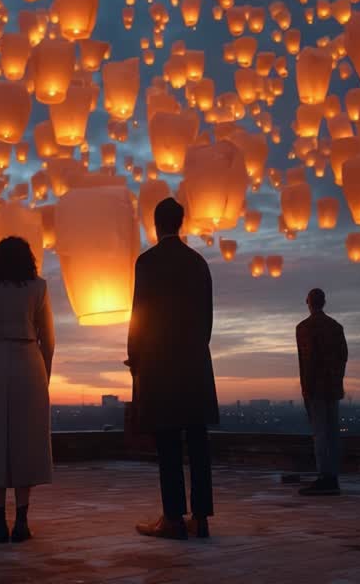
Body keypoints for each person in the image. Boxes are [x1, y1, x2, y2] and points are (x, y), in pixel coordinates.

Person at [127, 198, 218, 540]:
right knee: (198, 443)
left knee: (168, 443)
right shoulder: (198, 263)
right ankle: (202, 518)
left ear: (156, 224)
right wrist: (196, 349)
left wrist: (135, 357)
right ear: (180, 224)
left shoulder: (147, 262)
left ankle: (174, 518)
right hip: (194, 363)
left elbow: (140, 314)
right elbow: (207, 318)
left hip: (161, 364)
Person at [0, 236, 56, 544]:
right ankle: (21, 520)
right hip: (29, 362)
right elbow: (48, 337)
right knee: (26, 441)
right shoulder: (39, 288)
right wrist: (43, 372)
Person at [296, 288, 348, 496]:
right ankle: (331, 475)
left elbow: (307, 360)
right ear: (324, 302)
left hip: (315, 387)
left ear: (308, 302)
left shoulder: (304, 328)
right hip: (332, 387)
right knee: (332, 432)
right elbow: (343, 356)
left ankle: (325, 476)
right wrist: (336, 380)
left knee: (320, 433)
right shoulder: (335, 327)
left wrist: (306, 388)